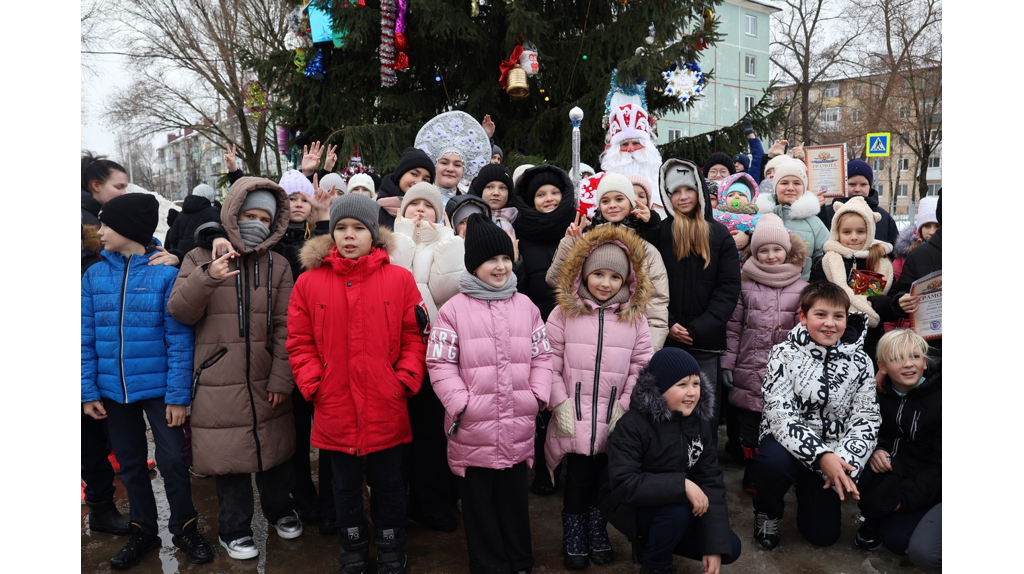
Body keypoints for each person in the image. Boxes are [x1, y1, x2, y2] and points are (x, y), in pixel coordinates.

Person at [287, 193, 429, 574]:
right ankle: (352, 548)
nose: (349, 236)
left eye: (358, 228)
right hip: (334, 403)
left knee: (389, 483)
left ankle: (390, 546)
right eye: (341, 228)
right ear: (332, 233)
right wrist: (314, 383)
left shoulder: (399, 279)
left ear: (374, 234)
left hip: (387, 401)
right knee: (344, 486)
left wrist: (404, 381)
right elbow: (299, 342)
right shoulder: (309, 282)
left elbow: (415, 336)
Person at [168, 177, 302, 561]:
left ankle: (280, 510)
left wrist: (282, 375)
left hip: (265, 377)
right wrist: (209, 274)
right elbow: (180, 309)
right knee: (229, 462)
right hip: (216, 379)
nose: (256, 223)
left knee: (275, 453)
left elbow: (286, 326)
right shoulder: (199, 256)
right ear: (232, 214)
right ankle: (235, 528)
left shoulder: (277, 264)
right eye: (249, 215)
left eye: (264, 217)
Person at [82, 193, 215, 568]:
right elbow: (84, 335)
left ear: (128, 229)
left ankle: (185, 527)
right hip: (113, 391)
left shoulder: (165, 274)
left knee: (173, 460)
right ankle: (143, 530)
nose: (100, 230)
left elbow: (179, 339)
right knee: (130, 464)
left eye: (106, 224)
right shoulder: (93, 276)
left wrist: (177, 396)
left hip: (159, 391)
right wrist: (87, 389)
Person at [427, 214, 553, 574]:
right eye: (490, 260)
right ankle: (489, 563)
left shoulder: (526, 306)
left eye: (504, 259)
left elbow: (542, 354)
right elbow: (439, 364)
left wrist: (537, 395)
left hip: (517, 422)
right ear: (473, 265)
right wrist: (460, 404)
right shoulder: (452, 311)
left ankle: (519, 559)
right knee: (479, 503)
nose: (500, 267)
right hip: (473, 429)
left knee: (514, 498)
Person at [544, 224, 654, 569]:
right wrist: (558, 401)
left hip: (613, 417)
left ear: (627, 281)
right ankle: (574, 529)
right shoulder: (564, 313)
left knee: (604, 480)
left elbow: (642, 365)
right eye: (598, 274)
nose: (605, 283)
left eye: (614, 277)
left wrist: (626, 405)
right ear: (584, 273)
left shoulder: (634, 319)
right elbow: (547, 362)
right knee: (577, 477)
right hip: (573, 414)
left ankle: (597, 526)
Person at [752, 282, 880, 550]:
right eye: (820, 314)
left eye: (838, 316)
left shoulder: (862, 361)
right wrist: (821, 456)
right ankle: (768, 513)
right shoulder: (783, 354)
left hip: (835, 446)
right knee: (771, 463)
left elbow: (866, 417)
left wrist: (843, 463)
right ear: (803, 317)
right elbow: (780, 414)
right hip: (787, 441)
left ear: (847, 318)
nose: (829, 324)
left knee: (822, 537)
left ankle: (808, 486)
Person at [604, 348, 742, 574]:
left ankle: (656, 542)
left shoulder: (699, 424)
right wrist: (683, 485)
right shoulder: (632, 425)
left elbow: (711, 482)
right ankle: (654, 564)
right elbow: (624, 483)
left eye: (696, 384)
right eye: (682, 385)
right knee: (678, 508)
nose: (691, 393)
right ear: (659, 388)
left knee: (730, 547)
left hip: (673, 508)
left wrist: (713, 546)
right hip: (634, 509)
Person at [390, 182, 465, 532]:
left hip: (436, 353)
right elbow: (395, 278)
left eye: (428, 205)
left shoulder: (450, 245)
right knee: (397, 435)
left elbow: (446, 287)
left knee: (432, 433)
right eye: (413, 204)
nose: (420, 210)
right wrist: (404, 236)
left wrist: (444, 240)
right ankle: (397, 505)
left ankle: (431, 503)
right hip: (395, 353)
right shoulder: (391, 241)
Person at [655, 158, 741, 446]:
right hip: (666, 339)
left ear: (700, 192)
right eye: (675, 192)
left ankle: (704, 468)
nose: (682, 197)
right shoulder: (660, 234)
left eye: (688, 190)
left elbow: (728, 288)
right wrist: (668, 324)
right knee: (666, 407)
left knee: (703, 411)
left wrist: (699, 328)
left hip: (704, 343)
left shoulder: (719, 236)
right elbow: (647, 285)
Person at [721, 214, 809, 494]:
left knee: (781, 422)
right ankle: (753, 470)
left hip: (786, 374)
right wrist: (727, 363)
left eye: (776, 249)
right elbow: (733, 328)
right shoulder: (744, 284)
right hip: (749, 367)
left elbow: (805, 336)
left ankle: (780, 468)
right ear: (754, 252)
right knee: (750, 428)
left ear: (787, 251)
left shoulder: (800, 287)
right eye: (763, 250)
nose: (771, 256)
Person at [546, 173, 669, 350]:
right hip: (584, 341)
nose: (612, 205)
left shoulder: (647, 250)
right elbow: (555, 280)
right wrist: (569, 242)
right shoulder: (586, 241)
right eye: (605, 201)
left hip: (626, 344)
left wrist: (647, 356)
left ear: (631, 203)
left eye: (619, 199)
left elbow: (656, 308)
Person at [511, 164, 577, 495]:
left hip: (576, 333)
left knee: (571, 401)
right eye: (540, 194)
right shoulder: (521, 235)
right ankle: (541, 470)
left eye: (554, 192)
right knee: (539, 405)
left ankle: (571, 467)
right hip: (535, 335)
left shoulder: (579, 230)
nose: (549, 198)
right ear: (529, 200)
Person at [854, 330, 941, 568]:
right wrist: (877, 448)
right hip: (894, 465)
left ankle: (899, 513)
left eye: (914, 357)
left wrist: (903, 500)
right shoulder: (876, 393)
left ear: (925, 362)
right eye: (896, 359)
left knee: (896, 539)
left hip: (928, 477)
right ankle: (874, 515)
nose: (907, 364)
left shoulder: (940, 399)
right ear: (882, 366)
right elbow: (866, 425)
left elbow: (941, 467)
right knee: (861, 465)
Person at [755, 157, 829, 280]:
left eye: (797, 183)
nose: (790, 188)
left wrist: (812, 286)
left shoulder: (814, 222)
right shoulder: (760, 216)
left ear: (804, 188)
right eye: (784, 183)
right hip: (763, 287)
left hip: (801, 290)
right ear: (775, 186)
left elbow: (825, 256)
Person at [888, 192, 941, 356]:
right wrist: (902, 302)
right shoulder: (919, 255)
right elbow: (901, 292)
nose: (931, 231)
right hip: (931, 348)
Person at [598, 104, 666, 212]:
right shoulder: (596, 184)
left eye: (636, 143)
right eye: (624, 145)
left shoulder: (666, 183)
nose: (631, 149)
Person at [817, 159, 899, 245]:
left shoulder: (882, 216)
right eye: (852, 184)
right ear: (844, 185)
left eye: (863, 184)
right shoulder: (828, 212)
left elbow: (895, 252)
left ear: (870, 186)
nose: (857, 189)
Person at [376, 147, 436, 230]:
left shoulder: (431, 212)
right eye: (414, 174)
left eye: (425, 180)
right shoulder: (375, 211)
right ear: (400, 175)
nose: (419, 182)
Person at [165, 183, 220, 258]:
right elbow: (219, 234)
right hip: (205, 257)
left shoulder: (181, 214)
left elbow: (172, 237)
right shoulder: (213, 212)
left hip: (183, 257)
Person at [711, 172, 762, 252]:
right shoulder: (716, 213)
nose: (736, 197)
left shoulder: (758, 217)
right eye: (731, 195)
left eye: (741, 195)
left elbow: (768, 233)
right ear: (724, 198)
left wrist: (749, 237)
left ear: (750, 199)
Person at [468, 163, 517, 239]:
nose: (496, 193)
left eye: (502, 188)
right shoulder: (466, 219)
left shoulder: (519, 222)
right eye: (490, 187)